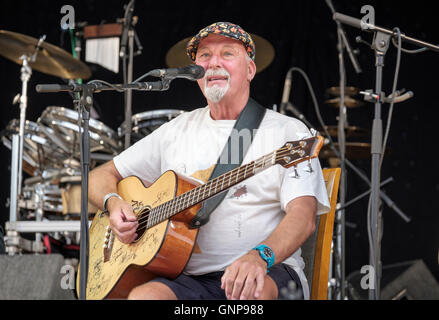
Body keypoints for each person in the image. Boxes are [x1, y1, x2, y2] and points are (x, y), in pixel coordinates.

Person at [89, 22, 330, 300]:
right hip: (190, 280)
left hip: (267, 271)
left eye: (227, 53)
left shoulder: (289, 133)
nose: (214, 62)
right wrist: (113, 202)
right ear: (195, 73)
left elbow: (303, 218)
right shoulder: (176, 130)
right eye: (204, 56)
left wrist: (260, 257)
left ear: (249, 70)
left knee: (251, 296)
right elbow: (100, 176)